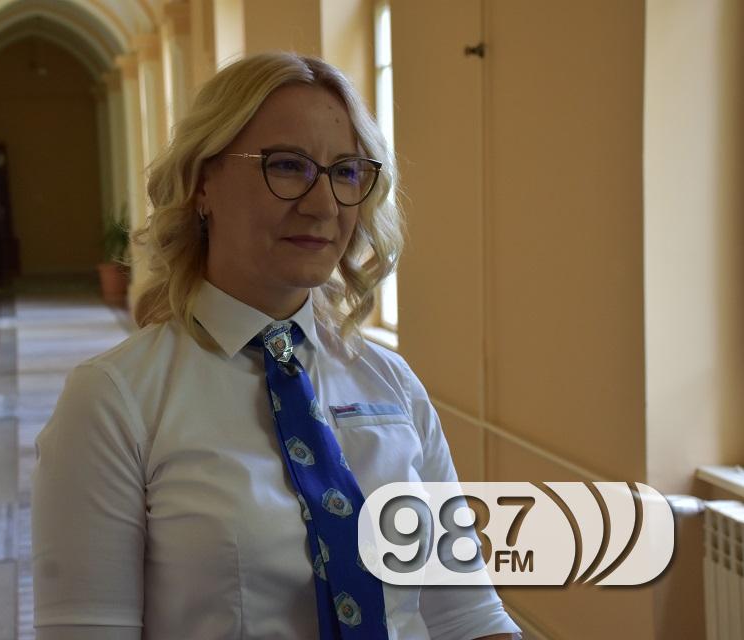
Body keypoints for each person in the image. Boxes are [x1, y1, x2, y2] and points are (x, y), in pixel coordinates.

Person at [31, 52, 521, 640]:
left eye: (345, 172)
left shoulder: (390, 382)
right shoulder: (114, 400)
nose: (323, 205)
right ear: (202, 183)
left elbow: (466, 612)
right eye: (288, 166)